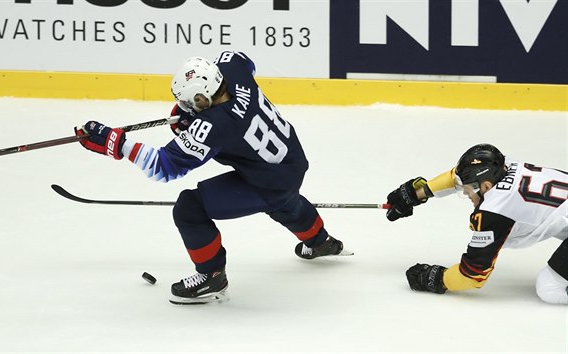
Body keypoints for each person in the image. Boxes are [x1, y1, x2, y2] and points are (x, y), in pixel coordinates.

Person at [74, 52, 349, 305]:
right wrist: (194, 117)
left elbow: (163, 167)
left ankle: (211, 277)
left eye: (186, 102)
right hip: (289, 161)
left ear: (201, 99)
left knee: (189, 208)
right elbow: (244, 60)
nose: (182, 106)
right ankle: (320, 241)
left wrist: (117, 144)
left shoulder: (215, 126)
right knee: (285, 201)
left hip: (268, 179)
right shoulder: (232, 70)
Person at [385, 143, 567, 304]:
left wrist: (438, 279)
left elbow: (473, 274)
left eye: (468, 190)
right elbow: (456, 176)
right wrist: (418, 193)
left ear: (487, 187)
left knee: (550, 288)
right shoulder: (503, 165)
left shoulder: (495, 212)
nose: (465, 194)